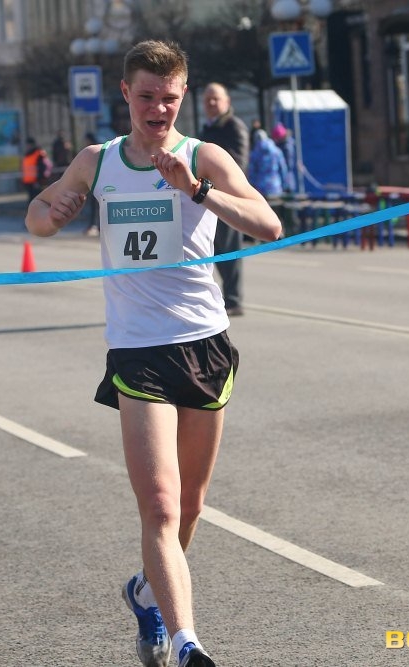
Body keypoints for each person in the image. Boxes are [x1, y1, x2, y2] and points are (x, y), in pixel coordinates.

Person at [25, 40, 281, 667]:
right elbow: (37, 215)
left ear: (183, 96)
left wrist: (198, 191)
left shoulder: (205, 157)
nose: (157, 110)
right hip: (137, 349)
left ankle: (145, 593)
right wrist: (54, 214)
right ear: (126, 94)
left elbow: (268, 225)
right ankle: (188, 641)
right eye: (146, 97)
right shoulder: (98, 161)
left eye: (168, 98)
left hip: (204, 344)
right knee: (161, 506)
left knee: (191, 506)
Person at [199, 82, 250, 317]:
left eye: (215, 99)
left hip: (227, 198)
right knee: (215, 249)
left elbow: (239, 163)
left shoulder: (233, 126)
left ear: (227, 102)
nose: (211, 103)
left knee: (230, 249)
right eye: (207, 99)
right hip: (207, 197)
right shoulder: (207, 128)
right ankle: (224, 299)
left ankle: (234, 300)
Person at [247, 128, 289, 198]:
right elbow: (283, 169)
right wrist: (285, 185)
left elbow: (251, 172)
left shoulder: (254, 153)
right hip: (275, 186)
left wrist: (252, 185)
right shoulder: (277, 151)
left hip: (260, 188)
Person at [21, 137, 53, 203]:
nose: (27, 146)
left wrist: (39, 180)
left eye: (28, 145)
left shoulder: (38, 154)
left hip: (36, 182)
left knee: (37, 201)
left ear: (32, 145)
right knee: (31, 201)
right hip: (29, 182)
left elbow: (42, 168)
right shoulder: (27, 154)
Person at [269, 122, 297, 193]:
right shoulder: (283, 145)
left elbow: (288, 165)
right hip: (283, 178)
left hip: (286, 179)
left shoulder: (287, 147)